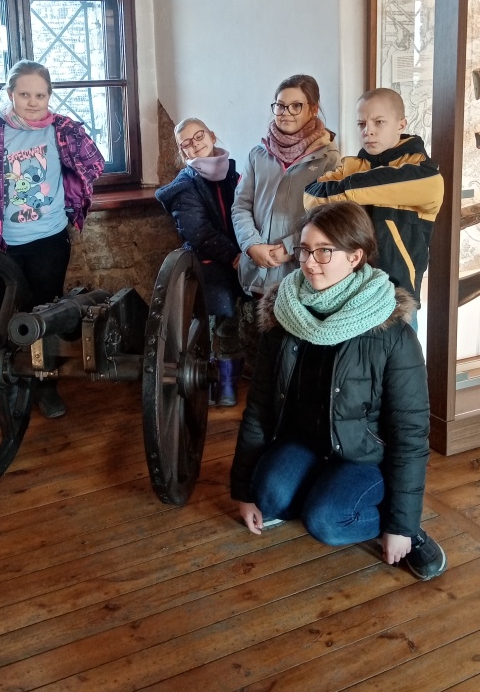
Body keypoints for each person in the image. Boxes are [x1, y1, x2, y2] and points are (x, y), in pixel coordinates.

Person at [230, 201, 447, 581]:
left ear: (355, 256)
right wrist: (242, 491)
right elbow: (260, 407)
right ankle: (320, 489)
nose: (309, 263)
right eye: (304, 250)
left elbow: (410, 433)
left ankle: (404, 527)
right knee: (268, 497)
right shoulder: (284, 314)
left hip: (363, 455)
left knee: (327, 522)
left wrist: (402, 525)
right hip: (305, 441)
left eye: (323, 251)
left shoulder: (390, 331)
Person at [0, 59, 105, 418]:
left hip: (48, 241)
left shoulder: (61, 131)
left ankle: (45, 386)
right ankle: (0, 386)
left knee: (45, 316)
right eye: (25, 94)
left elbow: (94, 163)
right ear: (10, 95)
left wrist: (72, 158)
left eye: (40, 95)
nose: (33, 102)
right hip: (1, 244)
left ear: (49, 96)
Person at [303, 87, 443, 313]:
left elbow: (427, 185)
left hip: (397, 297)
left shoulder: (424, 172)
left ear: (401, 124)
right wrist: (360, 187)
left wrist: (345, 187)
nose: (368, 131)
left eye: (379, 122)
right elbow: (311, 196)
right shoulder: (350, 165)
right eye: (361, 124)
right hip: (346, 291)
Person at [155, 118, 244, 406]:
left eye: (199, 136)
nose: (195, 144)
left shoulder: (233, 175)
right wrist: (234, 255)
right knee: (220, 318)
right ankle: (219, 384)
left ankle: (233, 378)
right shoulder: (185, 186)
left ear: (212, 135)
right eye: (186, 144)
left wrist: (249, 249)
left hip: (239, 255)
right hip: (207, 260)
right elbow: (198, 232)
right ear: (183, 153)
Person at [232, 74, 341, 300]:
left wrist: (289, 248)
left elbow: (327, 218)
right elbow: (241, 206)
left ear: (313, 109)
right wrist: (252, 245)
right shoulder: (257, 155)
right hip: (256, 273)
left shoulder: (328, 159)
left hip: (300, 274)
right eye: (280, 106)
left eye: (296, 106)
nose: (286, 113)